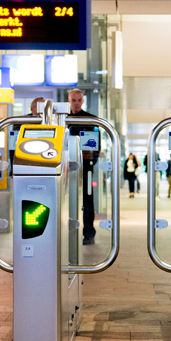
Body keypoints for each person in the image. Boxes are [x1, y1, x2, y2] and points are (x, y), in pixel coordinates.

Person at [67, 89, 99, 245]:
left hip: (86, 168)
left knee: (88, 200)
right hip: (67, 168)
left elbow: (96, 147)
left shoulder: (91, 120)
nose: (77, 103)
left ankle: (89, 233)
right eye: (74, 100)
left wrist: (90, 162)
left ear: (83, 101)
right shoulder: (63, 120)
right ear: (69, 101)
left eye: (79, 100)